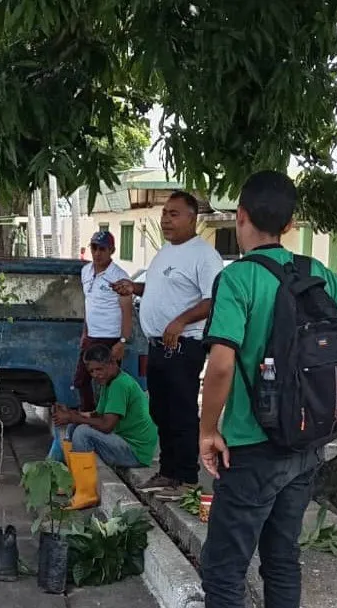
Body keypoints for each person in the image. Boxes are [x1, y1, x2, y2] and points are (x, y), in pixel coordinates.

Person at [196, 170, 337, 607]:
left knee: (224, 570)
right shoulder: (315, 272)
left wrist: (208, 431)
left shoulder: (238, 278)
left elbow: (221, 365)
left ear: (240, 215)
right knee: (282, 559)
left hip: (251, 447)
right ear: (289, 225)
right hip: (306, 443)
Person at [111, 192, 224, 499]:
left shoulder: (204, 255)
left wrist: (180, 321)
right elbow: (160, 289)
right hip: (158, 345)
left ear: (192, 218)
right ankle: (168, 472)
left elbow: (213, 299)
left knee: (181, 411)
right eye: (164, 214)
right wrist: (134, 287)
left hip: (184, 345)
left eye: (174, 214)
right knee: (160, 410)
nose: (165, 220)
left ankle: (186, 478)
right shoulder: (165, 252)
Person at [52, 345, 157, 508]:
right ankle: (74, 482)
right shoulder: (109, 382)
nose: (96, 375)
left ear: (112, 363)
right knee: (74, 426)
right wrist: (71, 414)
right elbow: (97, 414)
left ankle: (86, 493)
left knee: (82, 432)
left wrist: (74, 417)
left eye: (99, 369)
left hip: (136, 452)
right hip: (123, 441)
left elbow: (107, 425)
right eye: (92, 371)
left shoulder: (120, 385)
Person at [74, 231, 134, 412]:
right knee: (81, 380)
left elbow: (127, 312)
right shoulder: (85, 271)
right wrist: (85, 333)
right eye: (94, 248)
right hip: (92, 336)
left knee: (110, 383)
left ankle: (111, 418)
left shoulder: (119, 276)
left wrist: (122, 342)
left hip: (111, 338)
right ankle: (89, 415)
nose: (97, 253)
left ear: (111, 250)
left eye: (102, 249)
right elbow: (89, 304)